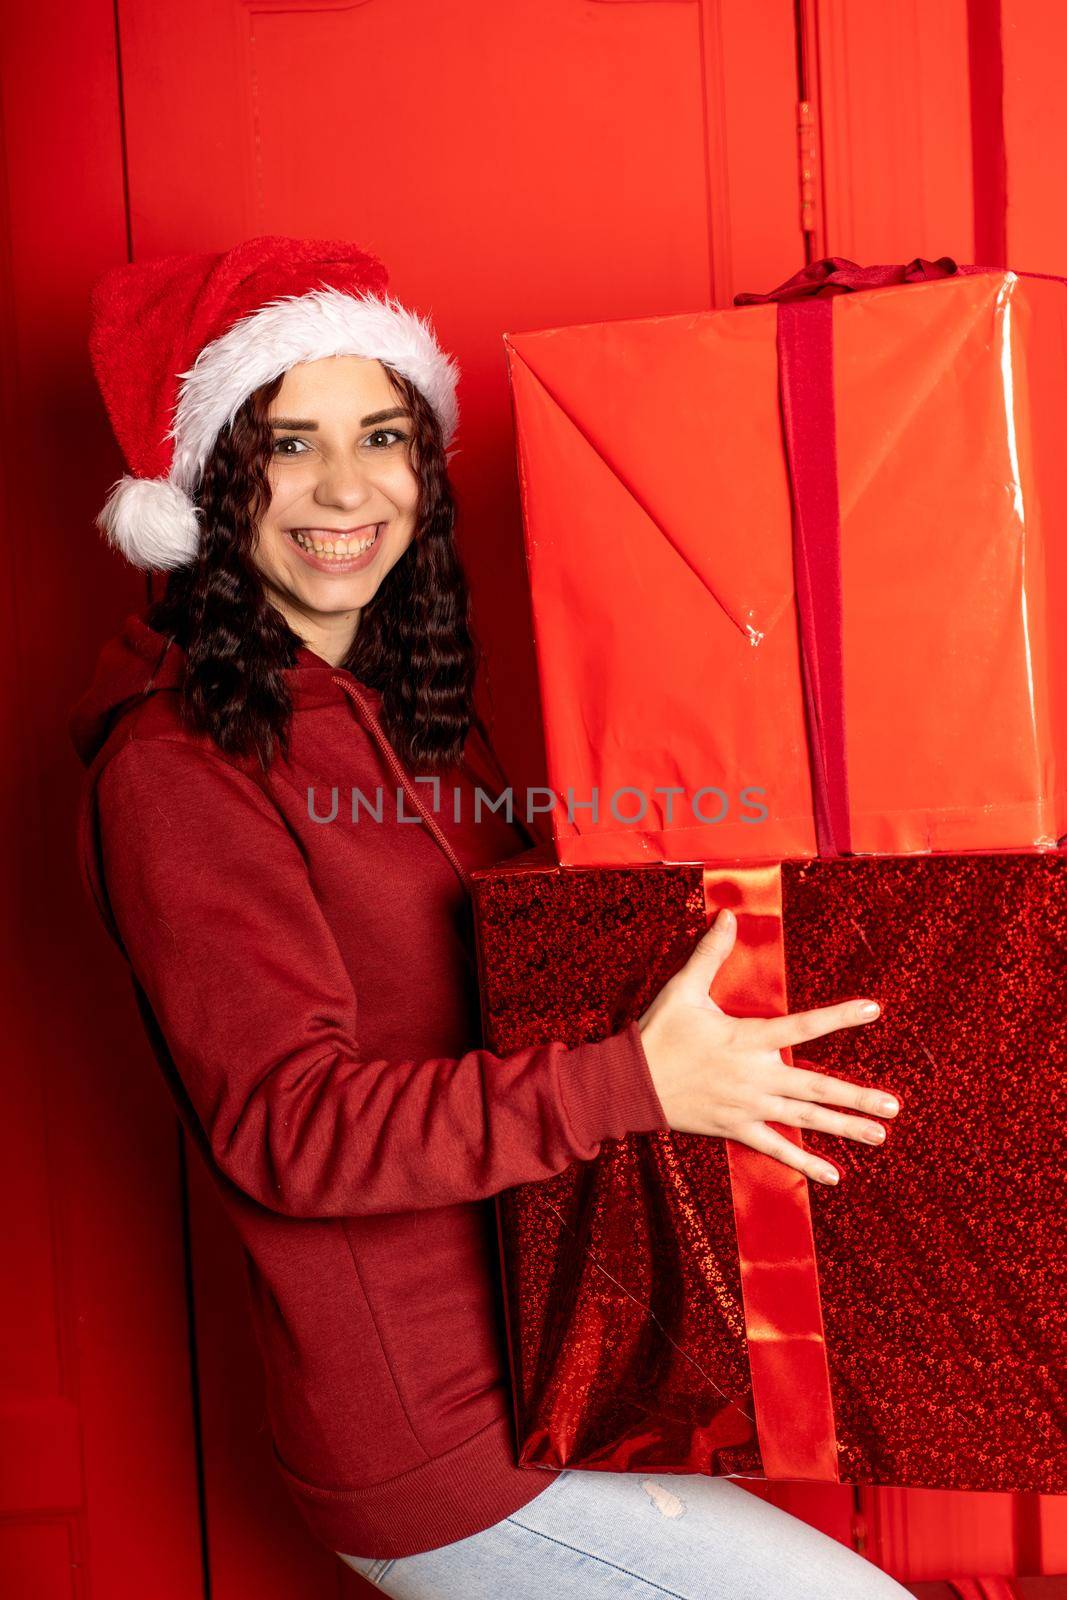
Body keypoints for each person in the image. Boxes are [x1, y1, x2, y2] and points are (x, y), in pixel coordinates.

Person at [69, 236, 910, 1599]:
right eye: (288, 445)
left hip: (573, 1368)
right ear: (207, 486)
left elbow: (535, 977)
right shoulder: (177, 771)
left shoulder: (419, 722)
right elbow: (289, 1128)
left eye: (383, 434)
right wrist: (635, 1083)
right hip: (442, 1441)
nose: (347, 487)